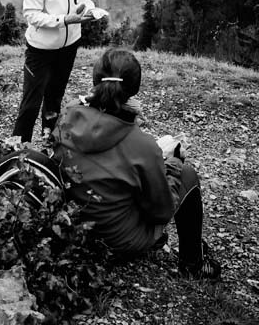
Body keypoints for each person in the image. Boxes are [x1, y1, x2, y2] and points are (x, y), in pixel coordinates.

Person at [51, 48, 221, 280]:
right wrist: (171, 163)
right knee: (187, 173)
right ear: (134, 88)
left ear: (95, 80)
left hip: (74, 229)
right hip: (117, 242)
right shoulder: (142, 145)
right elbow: (161, 212)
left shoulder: (68, 114)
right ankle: (194, 263)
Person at [12, 0, 102, 143]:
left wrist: (90, 11)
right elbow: (31, 15)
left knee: (54, 98)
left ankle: (48, 144)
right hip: (41, 49)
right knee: (31, 103)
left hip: (69, 44)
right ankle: (17, 149)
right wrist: (65, 20)